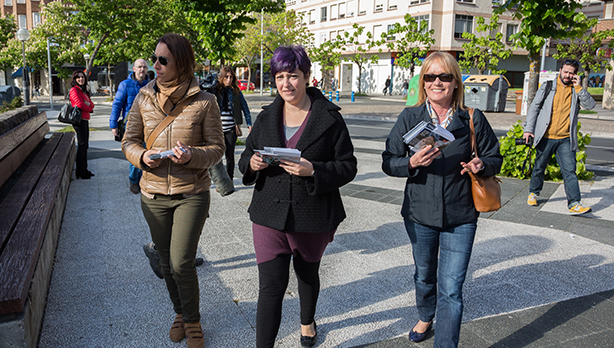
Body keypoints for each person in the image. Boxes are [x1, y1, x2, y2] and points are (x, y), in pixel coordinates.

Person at [238, 45, 357, 348]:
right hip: (268, 214)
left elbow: (348, 166)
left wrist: (313, 170)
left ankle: (307, 320)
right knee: (271, 287)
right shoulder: (266, 117)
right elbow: (246, 157)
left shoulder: (330, 119)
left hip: (311, 214)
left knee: (306, 275)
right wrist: (251, 164)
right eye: (279, 76)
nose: (285, 83)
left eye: (293, 75)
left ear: (307, 76)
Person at [382, 52, 502, 348]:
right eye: (430, 77)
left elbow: (495, 158)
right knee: (424, 276)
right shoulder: (410, 117)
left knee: (451, 289)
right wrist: (411, 163)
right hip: (420, 213)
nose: (437, 82)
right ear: (423, 83)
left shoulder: (472, 118)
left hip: (461, 215)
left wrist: (481, 165)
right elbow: (389, 161)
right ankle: (425, 315)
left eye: (445, 76)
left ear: (455, 83)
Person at [122, 33, 224, 348]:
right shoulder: (143, 97)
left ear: (180, 62)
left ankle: (192, 321)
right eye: (154, 58)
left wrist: (193, 155)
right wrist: (141, 156)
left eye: (162, 60)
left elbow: (217, 149)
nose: (156, 65)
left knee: (182, 262)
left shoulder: (205, 101)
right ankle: (180, 312)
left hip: (191, 193)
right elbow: (129, 141)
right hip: (153, 195)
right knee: (166, 263)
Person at [524, 59, 595, 215]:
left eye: (571, 73)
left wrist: (579, 87)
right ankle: (533, 193)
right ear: (561, 70)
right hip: (546, 136)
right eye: (566, 72)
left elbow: (590, 105)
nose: (568, 75)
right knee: (539, 167)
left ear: (575, 74)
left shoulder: (576, 90)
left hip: (565, 139)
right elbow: (534, 108)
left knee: (570, 171)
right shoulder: (548, 87)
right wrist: (528, 129)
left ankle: (574, 203)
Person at [110, 58, 149, 194]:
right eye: (139, 67)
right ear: (134, 68)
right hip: (130, 125)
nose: (141, 69)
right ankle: (133, 180)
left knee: (146, 153)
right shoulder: (125, 85)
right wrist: (113, 125)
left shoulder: (151, 84)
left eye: (144, 67)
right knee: (134, 154)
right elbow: (117, 105)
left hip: (148, 126)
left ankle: (144, 180)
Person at [215, 66, 252, 180]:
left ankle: (229, 180)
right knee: (217, 156)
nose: (229, 79)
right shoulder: (216, 91)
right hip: (217, 129)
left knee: (230, 156)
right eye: (226, 77)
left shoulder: (236, 92)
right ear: (221, 78)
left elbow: (245, 107)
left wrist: (249, 123)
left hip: (231, 128)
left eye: (231, 77)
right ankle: (221, 181)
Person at [69, 70, 95, 179]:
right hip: (79, 121)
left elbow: (92, 104)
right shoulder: (74, 90)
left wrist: (88, 105)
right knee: (82, 145)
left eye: (82, 77)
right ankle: (80, 171)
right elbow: (79, 104)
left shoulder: (83, 91)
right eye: (78, 77)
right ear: (75, 79)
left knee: (85, 146)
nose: (81, 79)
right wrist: (88, 107)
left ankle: (84, 169)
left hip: (84, 120)